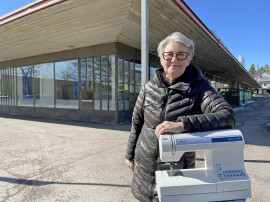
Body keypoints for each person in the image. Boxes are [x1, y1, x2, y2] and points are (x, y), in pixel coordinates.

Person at [125, 32, 235, 202]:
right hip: (144, 166)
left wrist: (182, 125)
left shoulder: (199, 87)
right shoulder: (148, 87)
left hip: (176, 168)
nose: (174, 59)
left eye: (181, 54)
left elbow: (227, 116)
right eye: (168, 54)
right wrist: (130, 154)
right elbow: (137, 122)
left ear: (189, 59)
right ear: (161, 59)